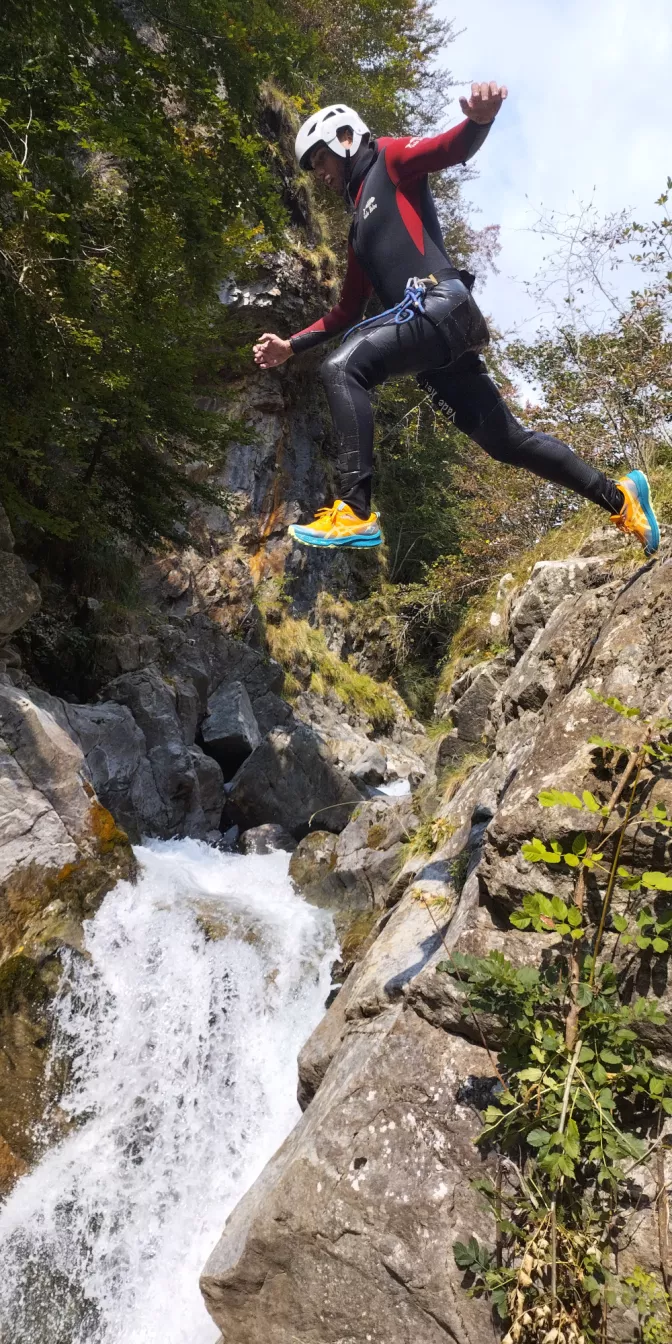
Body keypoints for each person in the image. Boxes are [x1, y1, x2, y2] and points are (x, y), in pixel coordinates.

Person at [253, 88, 660, 557]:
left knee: (343, 369)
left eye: (320, 161)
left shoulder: (389, 156)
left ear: (344, 138)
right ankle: (621, 497)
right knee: (507, 441)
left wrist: (479, 122)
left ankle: (354, 510)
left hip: (439, 305)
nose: (320, 175)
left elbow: (449, 148)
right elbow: (346, 312)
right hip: (435, 344)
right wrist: (291, 345)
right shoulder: (358, 235)